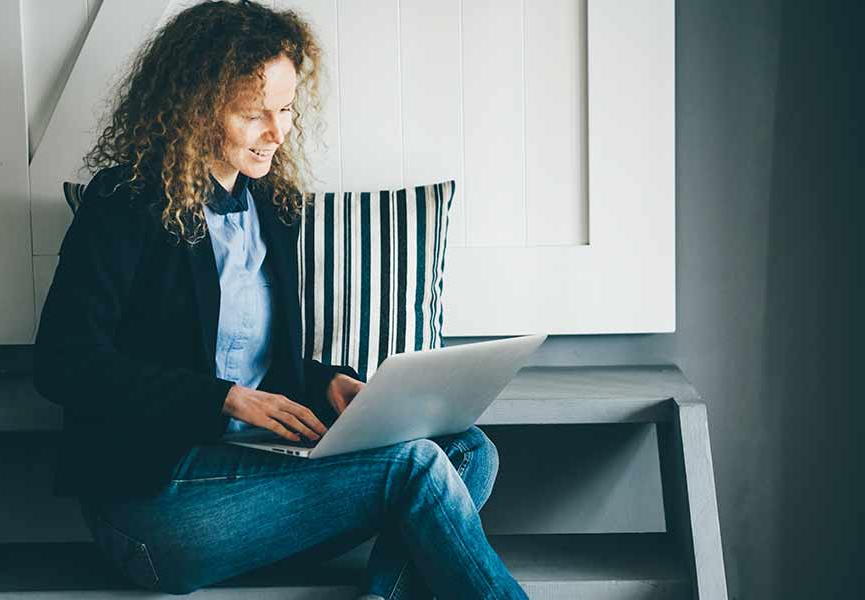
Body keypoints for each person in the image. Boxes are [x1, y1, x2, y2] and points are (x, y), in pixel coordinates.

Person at [31, 1, 528, 598]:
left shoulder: (269, 205)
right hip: (152, 503)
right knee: (418, 467)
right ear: (193, 109)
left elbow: (251, 359)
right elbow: (63, 361)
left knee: (469, 449)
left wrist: (325, 385)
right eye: (253, 114)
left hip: (259, 474)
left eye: (287, 108)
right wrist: (225, 400)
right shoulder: (123, 201)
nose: (279, 131)